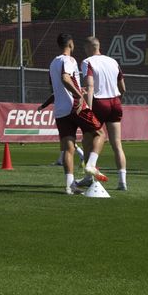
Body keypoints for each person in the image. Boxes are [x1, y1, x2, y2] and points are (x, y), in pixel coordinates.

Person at [49, 33, 104, 195]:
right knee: (100, 133)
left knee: (68, 148)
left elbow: (53, 86)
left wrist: (79, 89)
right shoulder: (69, 60)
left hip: (60, 110)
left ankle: (70, 186)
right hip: (75, 106)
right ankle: (91, 165)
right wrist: (80, 95)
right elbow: (66, 78)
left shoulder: (53, 63)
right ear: (70, 44)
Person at [81, 36, 128, 191]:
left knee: (88, 139)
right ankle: (122, 182)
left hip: (99, 102)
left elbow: (90, 86)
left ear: (88, 48)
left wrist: (88, 107)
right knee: (117, 144)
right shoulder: (113, 61)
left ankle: (89, 170)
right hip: (115, 102)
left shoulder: (88, 62)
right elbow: (123, 88)